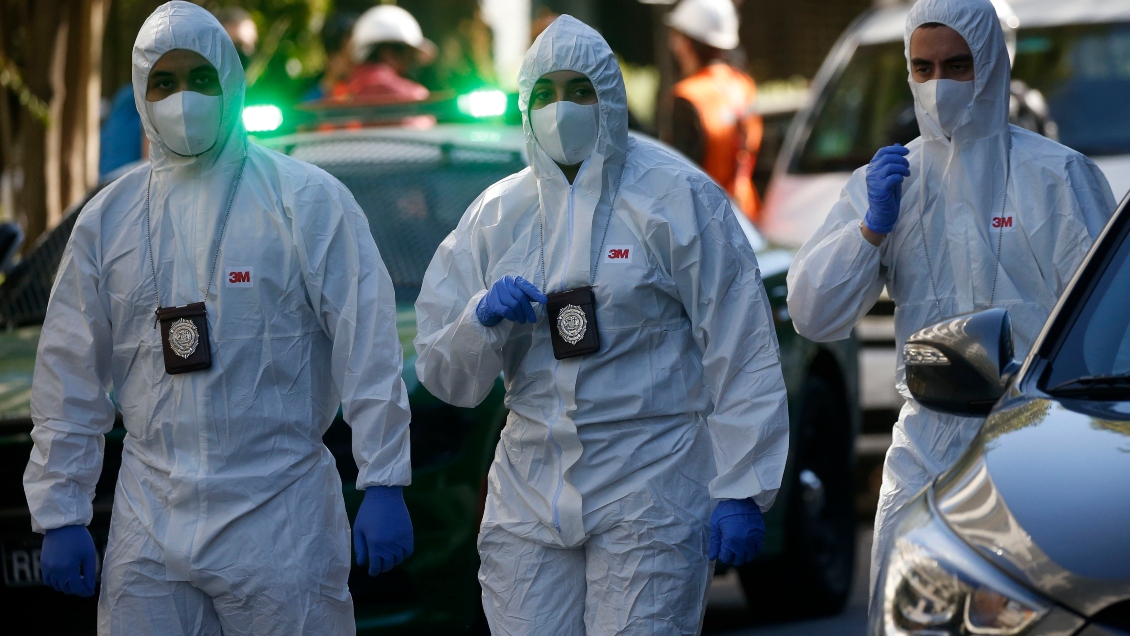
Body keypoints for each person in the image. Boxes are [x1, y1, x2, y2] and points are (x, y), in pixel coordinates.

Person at [23, 3, 413, 634]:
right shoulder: (108, 220)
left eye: (201, 79)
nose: (184, 99)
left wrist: (385, 478)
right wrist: (61, 509)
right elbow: (68, 373)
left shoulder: (306, 201)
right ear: (141, 92)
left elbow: (367, 344)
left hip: (280, 516)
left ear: (231, 81)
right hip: (150, 517)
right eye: (165, 82)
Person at [414, 15, 789, 634]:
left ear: (610, 97)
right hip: (529, 487)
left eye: (581, 90)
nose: (562, 109)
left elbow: (739, 344)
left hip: (650, 482)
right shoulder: (496, 216)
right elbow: (448, 380)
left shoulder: (675, 198)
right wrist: (477, 320)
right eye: (546, 93)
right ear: (526, 102)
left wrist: (742, 486)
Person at [785, 0, 1115, 608]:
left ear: (992, 63)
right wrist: (869, 233)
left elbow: (1109, 328)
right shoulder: (890, 182)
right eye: (923, 68)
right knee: (908, 611)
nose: (939, 85)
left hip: (1036, 446)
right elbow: (814, 313)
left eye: (958, 65)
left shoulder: (1058, 178)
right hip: (925, 448)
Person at [664, 0, 763, 224]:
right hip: (747, 214)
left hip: (706, 220)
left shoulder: (688, 96)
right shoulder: (744, 85)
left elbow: (680, 175)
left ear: (687, 43)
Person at [337, 5, 434, 104]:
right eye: (409, 56)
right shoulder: (413, 96)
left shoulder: (341, 95)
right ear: (388, 54)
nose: (409, 65)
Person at [302, 11, 358, 103]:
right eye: (347, 53)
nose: (354, 60)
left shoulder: (362, 86)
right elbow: (305, 111)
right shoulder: (316, 95)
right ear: (332, 57)